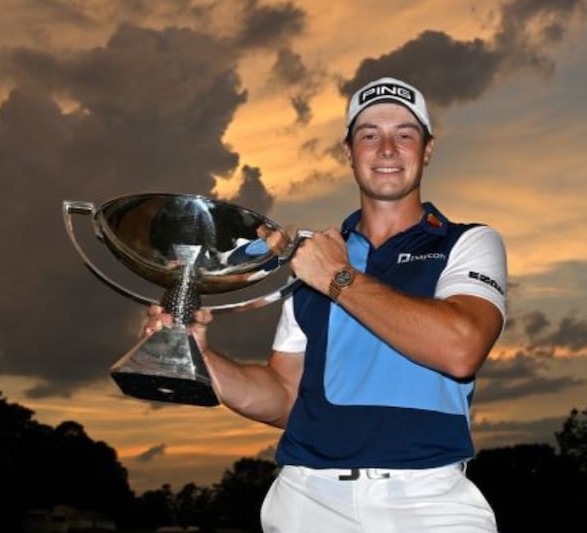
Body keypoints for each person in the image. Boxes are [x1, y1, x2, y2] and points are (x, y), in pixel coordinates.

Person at [144, 76, 508, 532]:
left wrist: (337, 278)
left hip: (429, 500)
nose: (387, 149)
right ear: (349, 153)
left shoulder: (467, 242)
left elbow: (462, 348)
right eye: (369, 135)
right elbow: (284, 397)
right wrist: (200, 356)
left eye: (405, 134)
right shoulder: (312, 256)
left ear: (427, 150)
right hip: (307, 499)